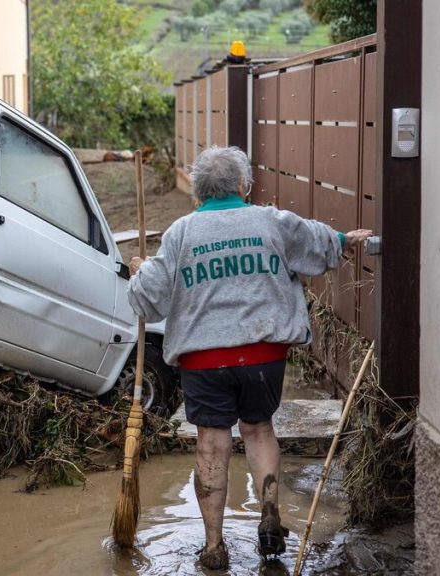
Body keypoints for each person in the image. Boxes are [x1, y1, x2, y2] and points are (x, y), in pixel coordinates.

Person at [127, 146, 370, 570]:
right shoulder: (269, 221)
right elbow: (317, 242)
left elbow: (148, 301)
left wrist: (138, 272)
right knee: (258, 430)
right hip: (264, 355)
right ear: (243, 186)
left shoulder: (181, 233)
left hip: (204, 361)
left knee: (211, 442)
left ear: (198, 192)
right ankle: (270, 512)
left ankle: (214, 546)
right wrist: (344, 240)